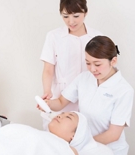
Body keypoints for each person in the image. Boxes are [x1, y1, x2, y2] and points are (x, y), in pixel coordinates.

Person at [42, 36, 134, 155]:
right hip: (82, 149)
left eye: (97, 64)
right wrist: (48, 104)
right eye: (88, 63)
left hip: (110, 150)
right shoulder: (84, 78)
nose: (92, 69)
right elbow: (60, 102)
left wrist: (83, 144)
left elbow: (113, 134)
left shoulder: (124, 90)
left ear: (113, 61)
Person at [40, 0, 102, 130]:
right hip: (60, 95)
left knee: (85, 136)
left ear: (85, 12)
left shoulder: (97, 37)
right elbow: (48, 69)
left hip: (89, 95)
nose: (71, 21)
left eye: (76, 16)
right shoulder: (53, 36)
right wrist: (47, 91)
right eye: (65, 16)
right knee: (57, 138)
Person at [0, 111, 113, 155]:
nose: (60, 116)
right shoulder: (40, 135)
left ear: (74, 136)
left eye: (68, 117)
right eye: (61, 114)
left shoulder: (68, 149)